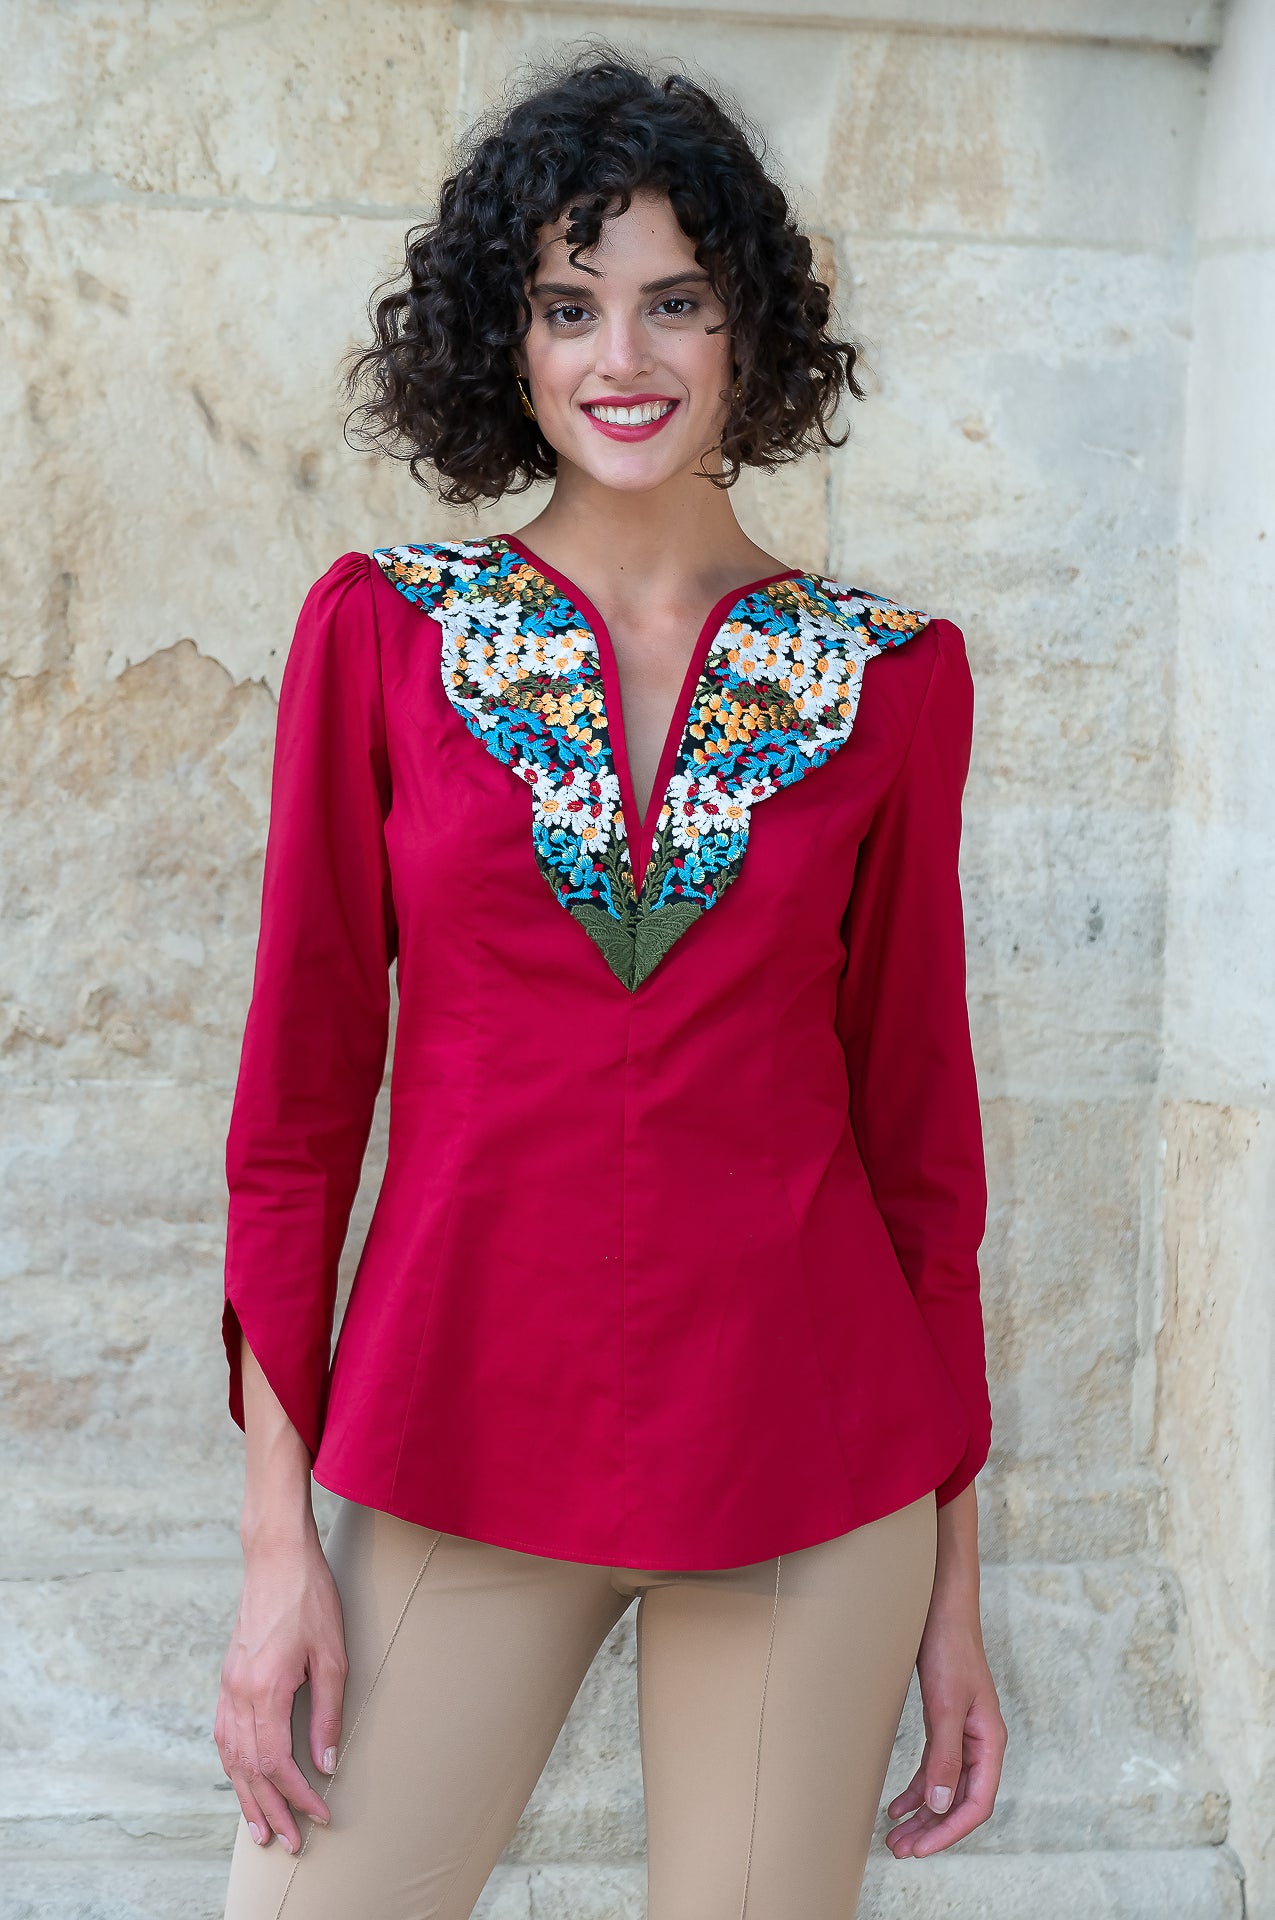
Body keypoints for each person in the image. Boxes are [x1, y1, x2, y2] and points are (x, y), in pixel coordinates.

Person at [214, 46, 1007, 1920]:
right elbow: (297, 1116)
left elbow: (921, 1149)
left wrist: (955, 1585)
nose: (621, 355)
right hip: (457, 1429)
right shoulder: (384, 635)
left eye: (675, 300)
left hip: (819, 1461)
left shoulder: (892, 676)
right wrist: (273, 1548)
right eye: (569, 306)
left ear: (749, 330)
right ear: (505, 339)